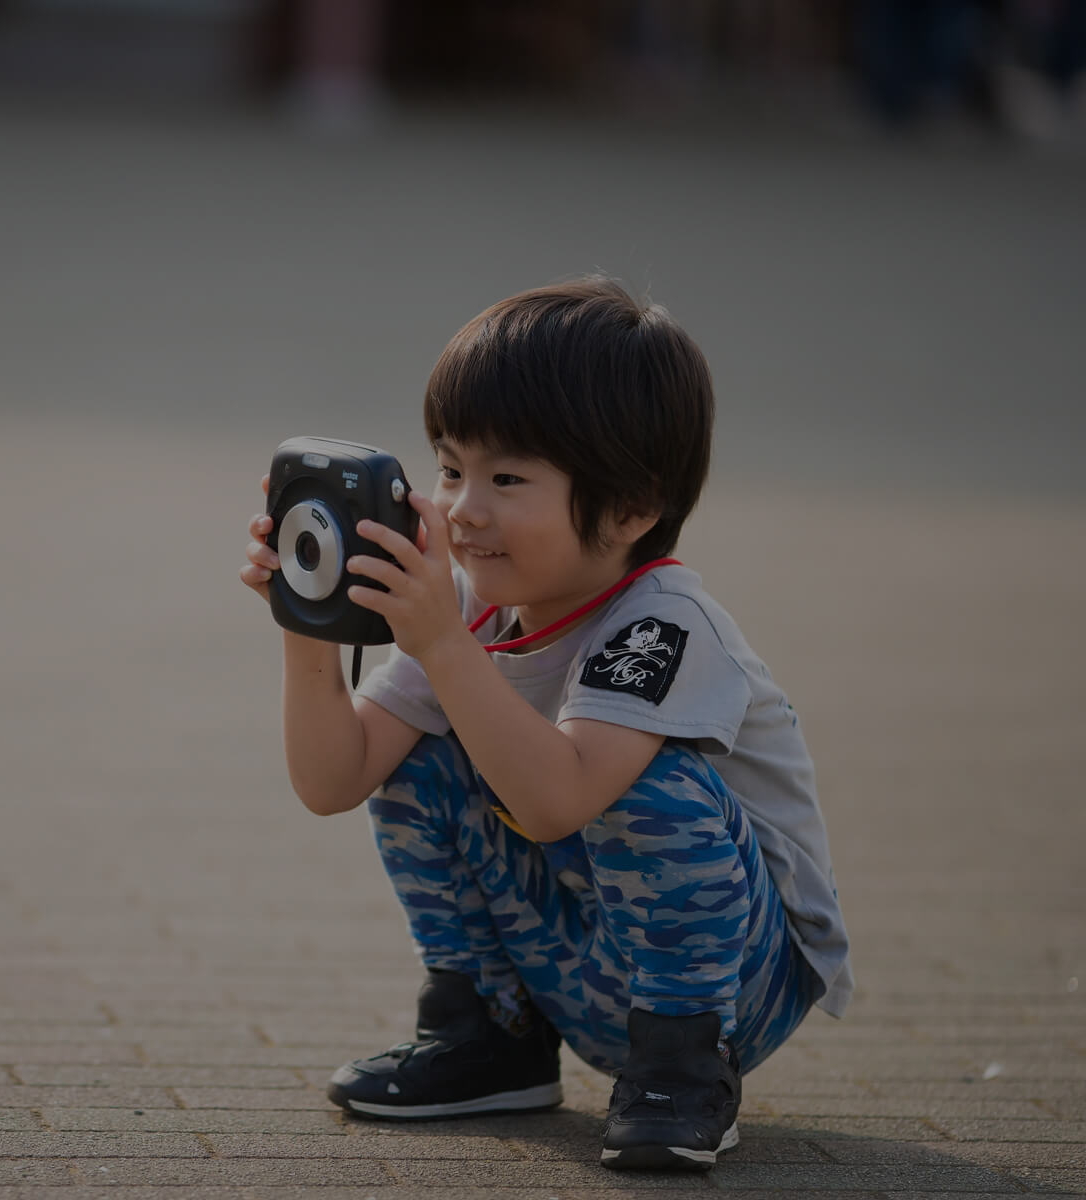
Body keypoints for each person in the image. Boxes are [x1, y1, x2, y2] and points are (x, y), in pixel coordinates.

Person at [237, 277, 851, 1171]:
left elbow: (561, 799)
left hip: (733, 982)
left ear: (631, 507)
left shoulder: (666, 627)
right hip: (584, 958)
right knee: (416, 754)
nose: (460, 509)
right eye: (449, 468)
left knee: (652, 781)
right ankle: (492, 1035)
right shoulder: (473, 611)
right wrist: (309, 625)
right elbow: (335, 780)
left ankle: (683, 1071)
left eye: (508, 478)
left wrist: (444, 647)